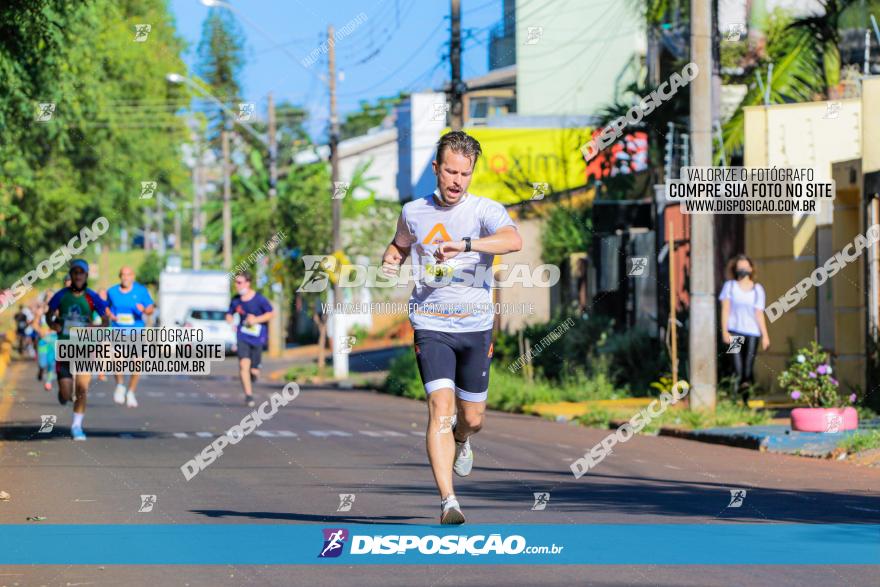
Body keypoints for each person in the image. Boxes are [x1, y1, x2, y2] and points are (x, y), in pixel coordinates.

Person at [381, 131, 522, 524]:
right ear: (436, 169)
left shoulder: (483, 211)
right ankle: (448, 501)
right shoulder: (413, 211)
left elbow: (513, 240)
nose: (457, 180)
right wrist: (391, 259)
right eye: (450, 171)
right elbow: (400, 244)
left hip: (476, 327)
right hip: (430, 324)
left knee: (472, 418)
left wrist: (467, 245)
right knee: (440, 409)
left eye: (465, 172)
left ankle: (462, 440)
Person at [45, 260, 109, 440]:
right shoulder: (61, 296)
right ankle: (63, 394)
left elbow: (106, 321)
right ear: (71, 275)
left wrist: (94, 327)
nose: (78, 276)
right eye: (75, 272)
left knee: (81, 388)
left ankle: (76, 426)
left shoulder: (92, 297)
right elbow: (49, 315)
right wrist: (53, 325)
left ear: (86, 275)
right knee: (66, 395)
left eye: (82, 272)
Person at [719, 254, 770, 403]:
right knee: (737, 368)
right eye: (739, 266)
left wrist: (765, 335)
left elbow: (759, 313)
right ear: (735, 269)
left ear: (751, 268)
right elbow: (725, 310)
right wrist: (725, 331)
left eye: (745, 266)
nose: (742, 269)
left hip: (752, 334)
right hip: (735, 331)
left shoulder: (757, 289)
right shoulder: (730, 287)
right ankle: (734, 399)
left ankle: (745, 400)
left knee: (747, 370)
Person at [106, 267, 155, 408]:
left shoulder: (141, 291)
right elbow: (106, 307)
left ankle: (131, 392)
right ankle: (120, 385)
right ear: (120, 276)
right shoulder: (112, 291)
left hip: (136, 332)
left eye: (128, 275)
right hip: (118, 331)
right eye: (123, 275)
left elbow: (151, 308)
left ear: (133, 276)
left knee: (137, 363)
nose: (126, 277)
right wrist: (110, 315)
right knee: (118, 360)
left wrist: (145, 310)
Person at [226, 271, 273, 407]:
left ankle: (254, 373)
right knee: (243, 365)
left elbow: (271, 313)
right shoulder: (235, 300)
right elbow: (229, 314)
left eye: (239, 282)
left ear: (248, 283)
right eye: (236, 282)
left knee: (254, 371)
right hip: (242, 337)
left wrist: (256, 319)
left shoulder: (259, 299)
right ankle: (248, 395)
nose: (237, 285)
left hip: (258, 338)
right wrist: (229, 319)